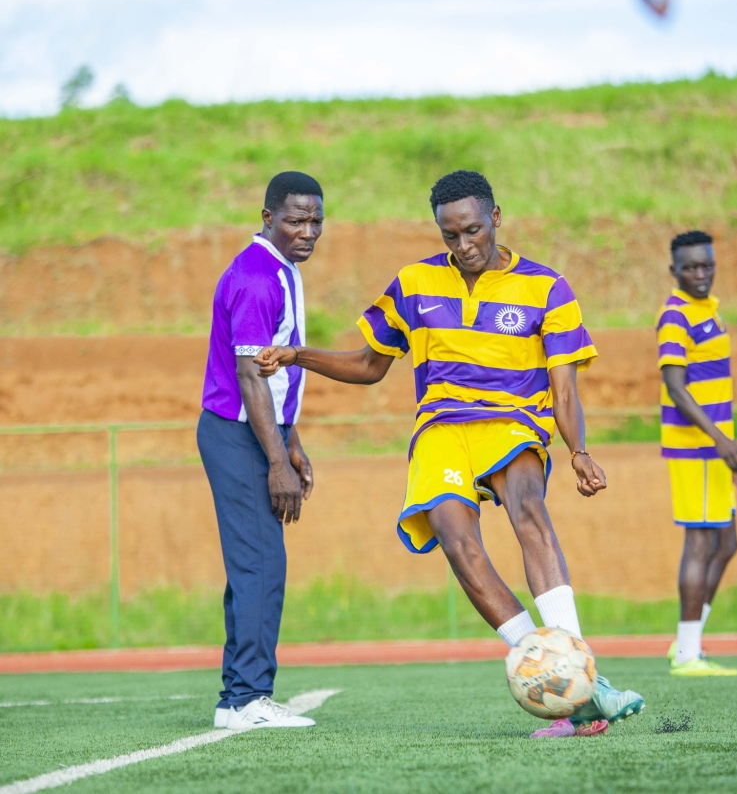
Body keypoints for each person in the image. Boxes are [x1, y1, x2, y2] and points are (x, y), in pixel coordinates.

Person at [255, 170, 644, 738]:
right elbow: (369, 366)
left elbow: (564, 389)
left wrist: (578, 450)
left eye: (473, 231)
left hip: (514, 419)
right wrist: (298, 355)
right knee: (456, 542)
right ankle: (570, 689)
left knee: (528, 509)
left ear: (496, 218)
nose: (464, 247)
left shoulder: (547, 288)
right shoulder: (413, 284)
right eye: (450, 236)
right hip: (441, 425)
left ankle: (584, 668)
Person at [198, 171, 322, 729]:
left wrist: (291, 441)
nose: (308, 230)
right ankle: (247, 699)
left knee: (256, 565)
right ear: (268, 217)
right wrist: (276, 462)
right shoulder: (255, 277)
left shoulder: (282, 269)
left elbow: (272, 373)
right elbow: (250, 377)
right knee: (261, 564)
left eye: (316, 220)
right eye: (295, 220)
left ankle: (237, 698)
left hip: (259, 431)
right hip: (237, 434)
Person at [658, 230, 737, 677]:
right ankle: (689, 655)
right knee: (699, 541)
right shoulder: (675, 316)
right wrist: (721, 440)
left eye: (707, 265)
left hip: (715, 450)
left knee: (727, 543)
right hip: (695, 450)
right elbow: (676, 389)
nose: (700, 273)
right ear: (673, 271)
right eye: (691, 267)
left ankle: (686, 642)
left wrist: (726, 444)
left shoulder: (708, 311)